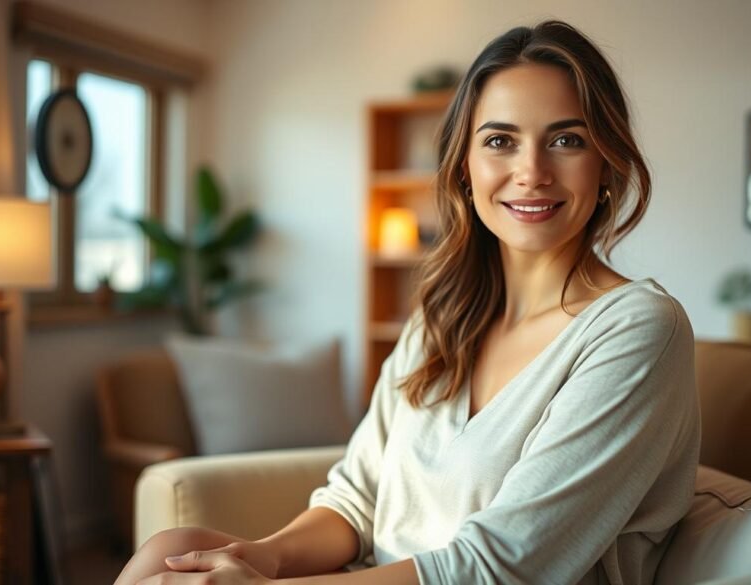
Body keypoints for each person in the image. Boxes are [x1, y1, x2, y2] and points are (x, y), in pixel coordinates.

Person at [117, 19, 700, 585]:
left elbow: (504, 568)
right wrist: (258, 559)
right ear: (465, 167)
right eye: (500, 141)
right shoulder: (443, 317)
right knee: (173, 548)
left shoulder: (638, 328)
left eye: (566, 140)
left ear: (606, 164)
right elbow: (355, 500)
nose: (531, 172)